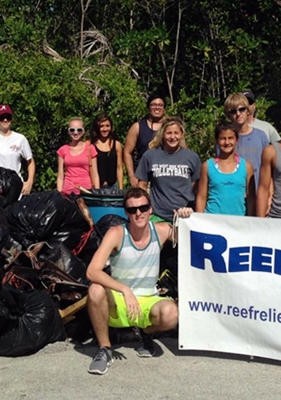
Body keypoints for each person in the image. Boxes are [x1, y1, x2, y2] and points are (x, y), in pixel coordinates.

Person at [85, 187, 191, 375]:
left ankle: (146, 333)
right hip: (119, 301)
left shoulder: (160, 231)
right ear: (126, 212)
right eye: (133, 210)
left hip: (147, 300)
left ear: (151, 209)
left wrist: (186, 216)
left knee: (171, 314)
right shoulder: (117, 233)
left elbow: (190, 237)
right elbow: (92, 271)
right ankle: (105, 349)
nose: (138, 213)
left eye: (143, 208)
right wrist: (125, 290)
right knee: (95, 290)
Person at [135, 116, 201, 222]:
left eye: (176, 133)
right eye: (169, 133)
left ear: (182, 134)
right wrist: (145, 209)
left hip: (185, 215)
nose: (172, 137)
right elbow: (142, 186)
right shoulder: (150, 156)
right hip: (157, 215)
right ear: (162, 134)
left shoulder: (192, 157)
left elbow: (196, 189)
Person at [196, 122, 256, 216]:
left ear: (237, 140)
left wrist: (251, 221)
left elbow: (251, 198)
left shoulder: (247, 166)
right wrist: (199, 221)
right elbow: (201, 197)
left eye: (230, 138)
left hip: (238, 221)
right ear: (216, 140)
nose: (227, 142)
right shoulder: (207, 166)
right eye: (222, 138)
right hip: (213, 220)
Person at [223, 92, 273, 188]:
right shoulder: (225, 140)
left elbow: (269, 168)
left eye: (241, 109)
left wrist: (269, 193)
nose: (238, 114)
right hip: (235, 193)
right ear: (228, 115)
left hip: (259, 191)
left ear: (248, 111)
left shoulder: (261, 135)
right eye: (233, 111)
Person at [124, 94, 166, 187]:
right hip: (143, 178)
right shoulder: (137, 127)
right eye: (153, 105)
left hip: (165, 177)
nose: (157, 108)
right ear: (148, 108)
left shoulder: (171, 128)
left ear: (164, 108)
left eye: (160, 105)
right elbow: (127, 152)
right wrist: (131, 176)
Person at [56, 117, 99, 195]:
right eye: (72, 130)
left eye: (79, 130)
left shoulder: (90, 148)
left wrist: (97, 193)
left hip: (86, 191)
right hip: (68, 192)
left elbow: (95, 174)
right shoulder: (62, 150)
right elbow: (60, 176)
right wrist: (59, 194)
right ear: (69, 131)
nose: (75, 133)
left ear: (83, 131)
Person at [91, 114, 124, 189]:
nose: (105, 129)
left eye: (107, 126)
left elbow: (119, 168)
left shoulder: (116, 145)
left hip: (113, 186)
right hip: (96, 187)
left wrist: (121, 189)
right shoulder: (91, 145)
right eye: (101, 126)